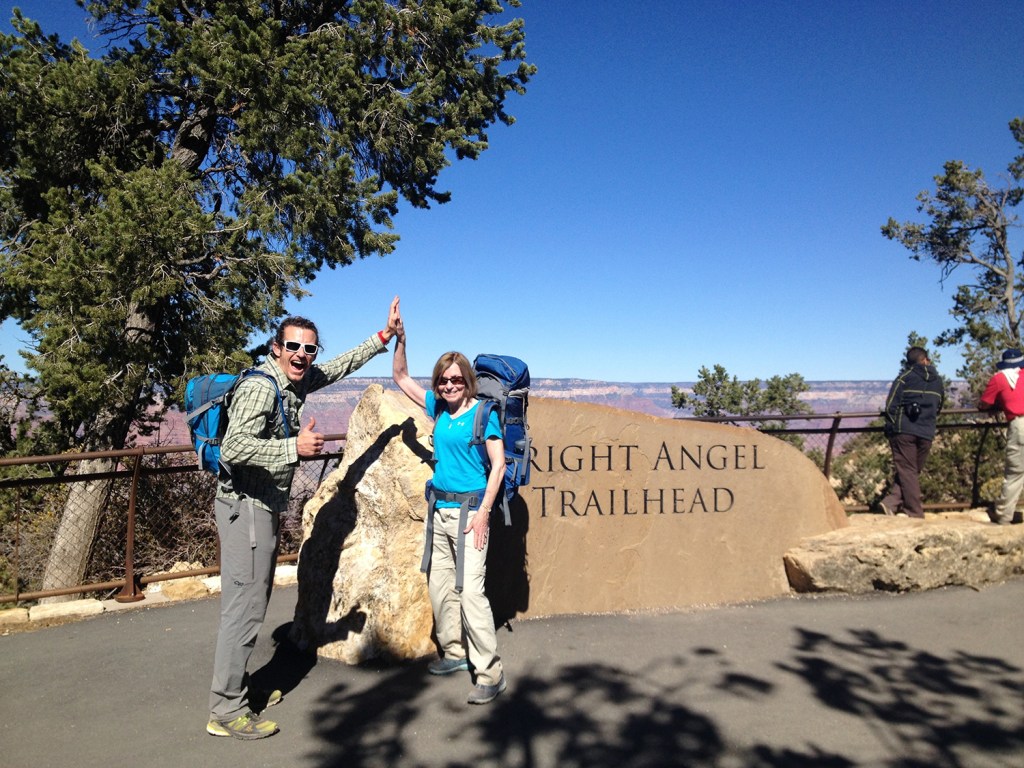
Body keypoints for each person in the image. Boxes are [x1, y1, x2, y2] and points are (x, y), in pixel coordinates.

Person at [207, 298, 401, 740]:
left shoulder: (294, 381)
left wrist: (382, 337)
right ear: (276, 348)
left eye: (309, 349)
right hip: (246, 510)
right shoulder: (261, 387)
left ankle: (240, 688)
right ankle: (226, 709)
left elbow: (337, 368)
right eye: (292, 346)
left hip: (262, 509)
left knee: (250, 606)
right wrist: (293, 448)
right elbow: (234, 448)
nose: (302, 355)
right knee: (244, 611)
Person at [390, 299, 507, 705]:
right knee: (440, 586)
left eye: (456, 380)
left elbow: (499, 465)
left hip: (472, 513)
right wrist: (401, 338)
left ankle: (490, 672)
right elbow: (401, 376)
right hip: (438, 511)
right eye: (443, 380)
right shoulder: (437, 407)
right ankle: (455, 653)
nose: (449, 386)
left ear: (468, 381)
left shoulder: (483, 415)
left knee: (471, 592)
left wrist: (484, 514)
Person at [878, 346, 944, 518]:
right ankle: (890, 503)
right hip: (927, 431)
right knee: (911, 471)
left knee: (908, 470)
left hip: (904, 431)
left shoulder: (904, 378)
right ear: (926, 360)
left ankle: (914, 512)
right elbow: (939, 405)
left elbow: (891, 405)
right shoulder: (938, 381)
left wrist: (892, 426)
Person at [978, 348, 1024, 525]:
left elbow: (985, 403)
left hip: (1020, 424)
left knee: (1015, 473)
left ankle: (1004, 515)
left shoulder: (999, 378)